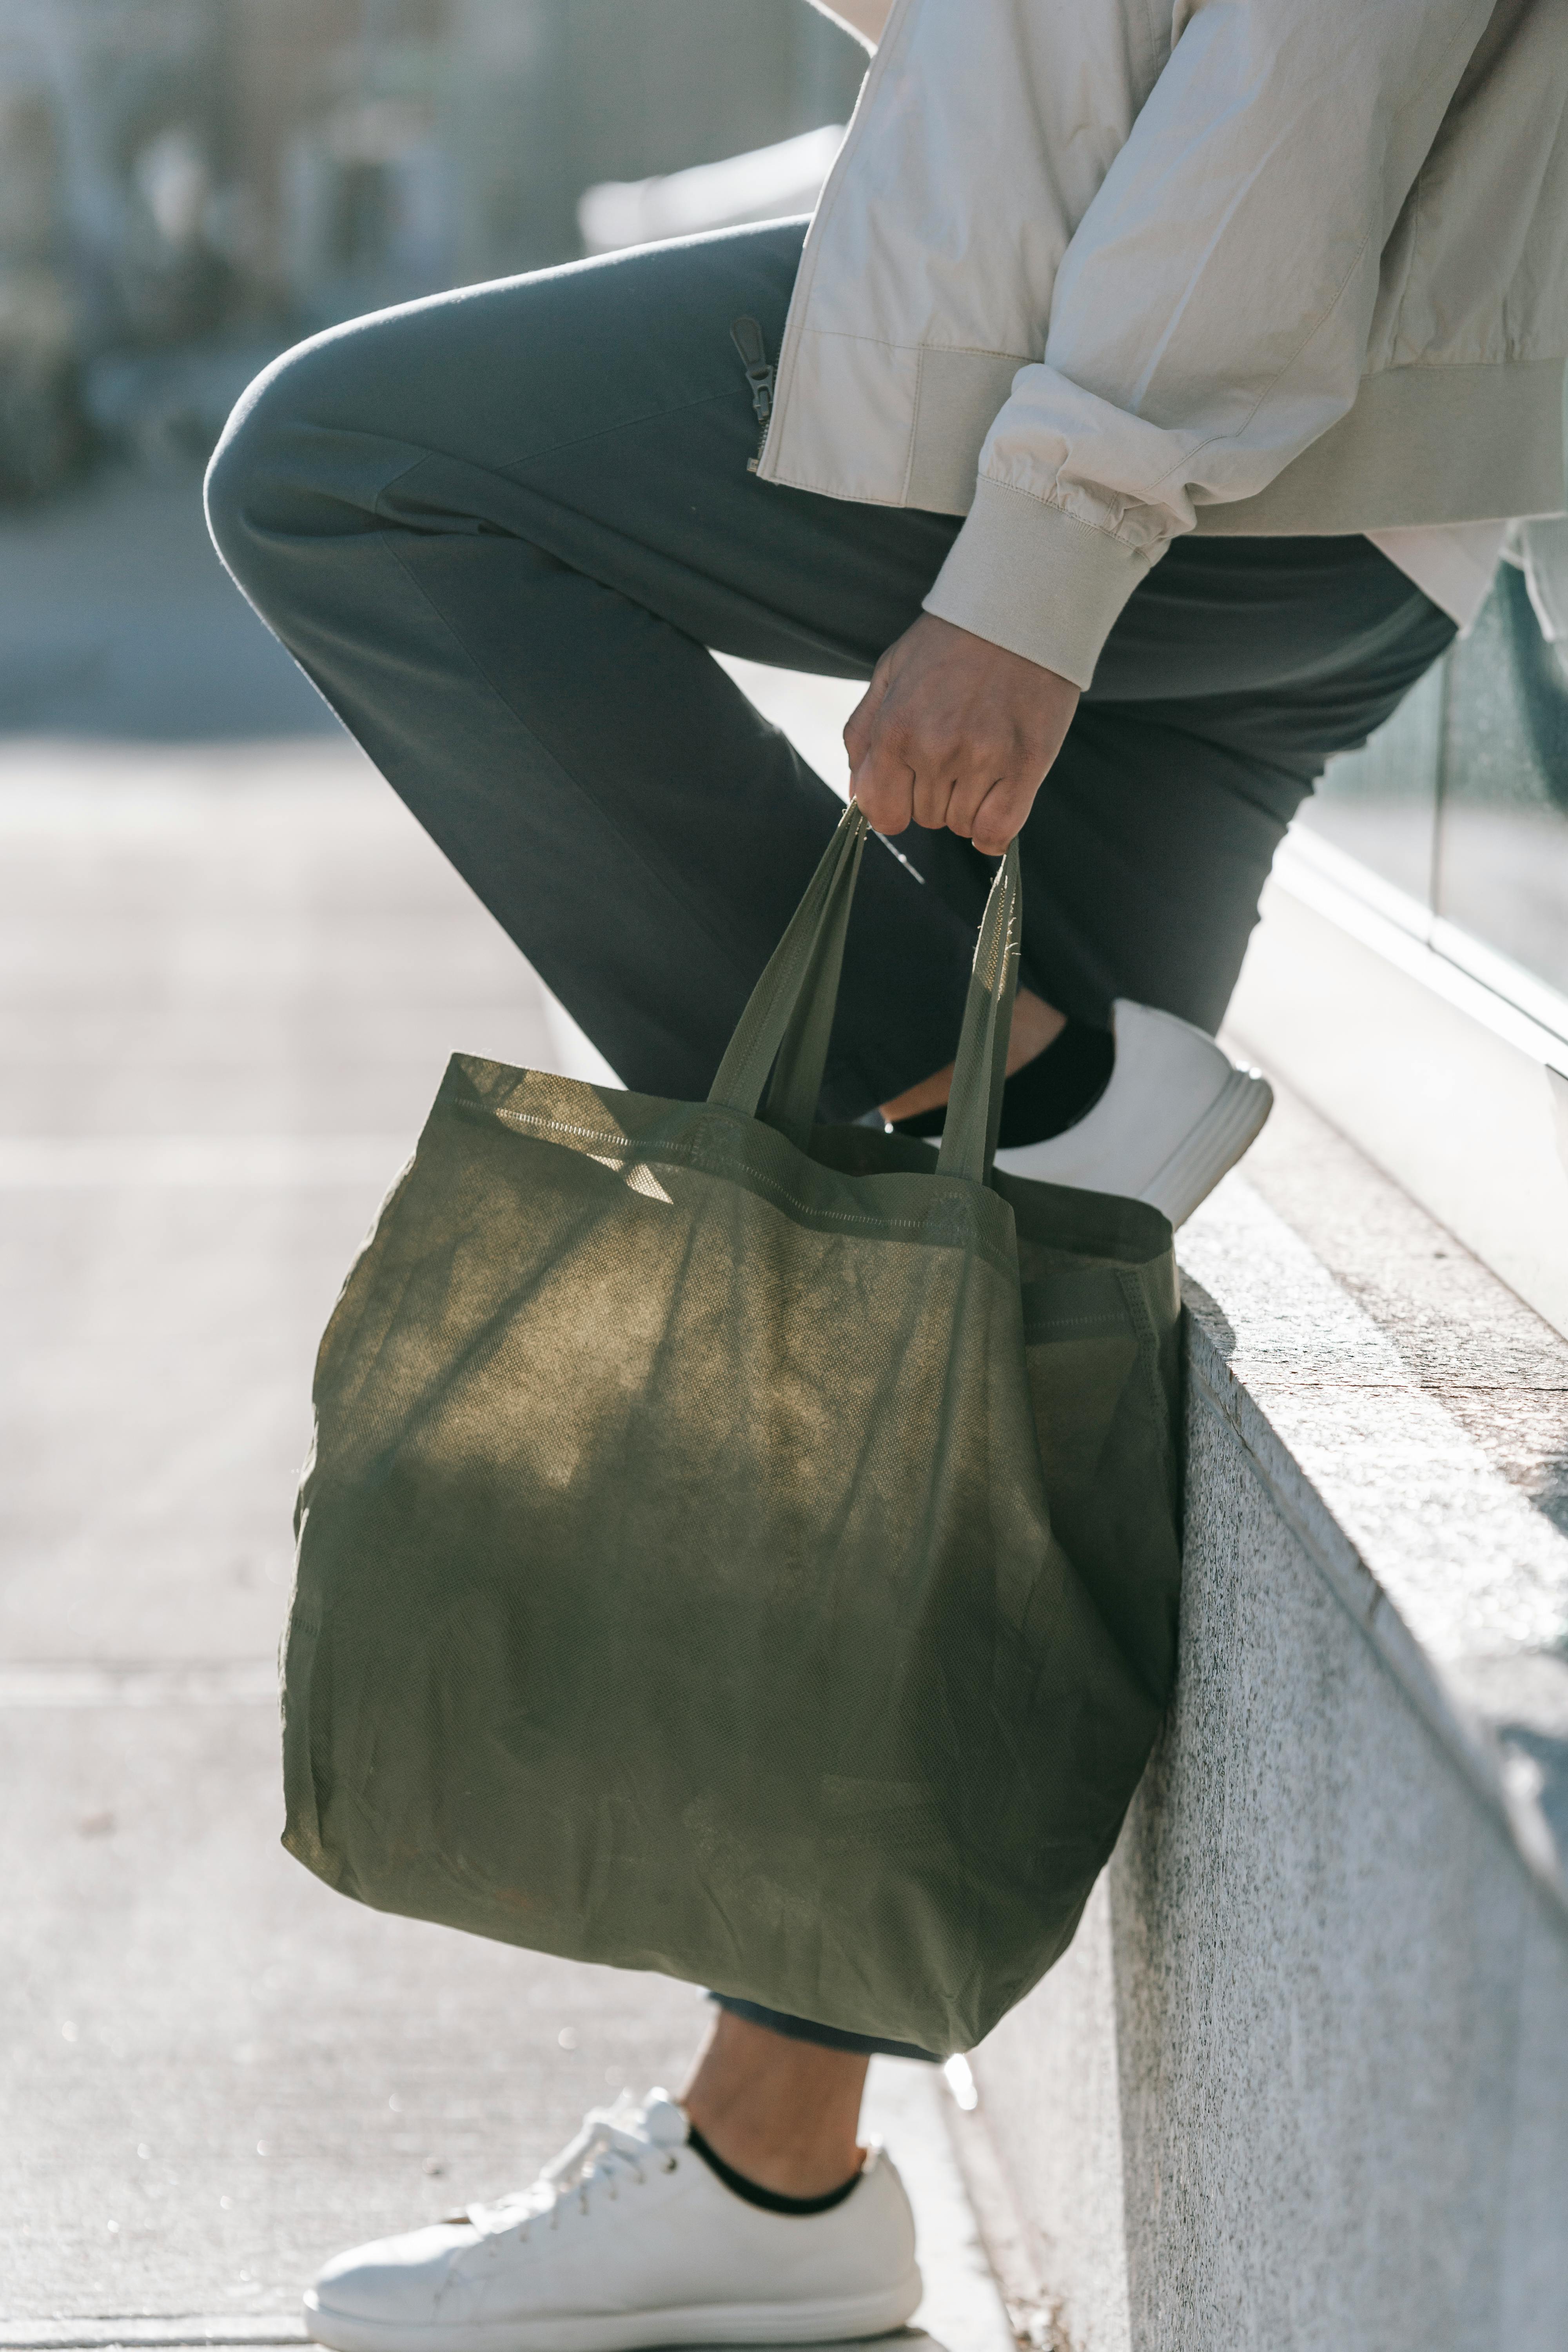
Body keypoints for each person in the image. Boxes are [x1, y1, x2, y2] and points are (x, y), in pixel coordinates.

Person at [206, 0, 1567, 2342]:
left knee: (346, 470)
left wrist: (1037, 567)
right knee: (969, 1324)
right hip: (1287, 445)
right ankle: (779, 2168)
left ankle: (1011, 1090)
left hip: (1211, 412)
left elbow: (1307, 68)